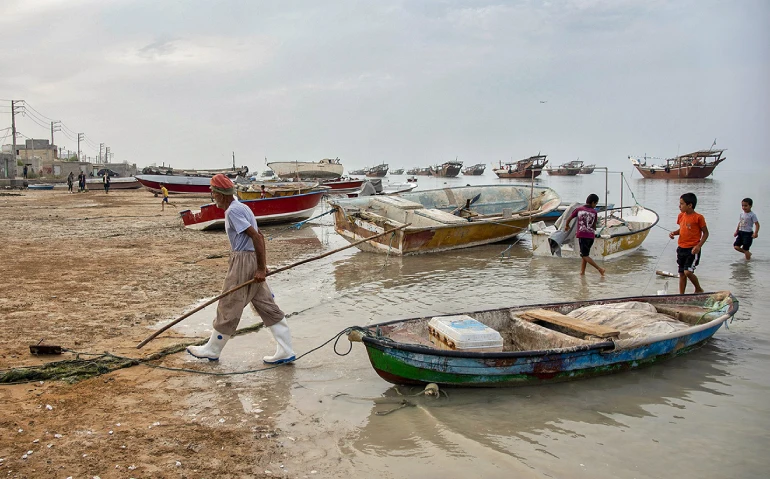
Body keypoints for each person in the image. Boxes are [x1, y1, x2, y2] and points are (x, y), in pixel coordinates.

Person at [187, 174, 295, 364]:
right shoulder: (243, 207)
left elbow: (256, 237)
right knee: (266, 304)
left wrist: (261, 268)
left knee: (229, 303)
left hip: (243, 260)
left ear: (221, 194)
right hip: (251, 258)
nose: (213, 197)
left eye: (213, 193)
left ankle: (212, 349)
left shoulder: (233, 211)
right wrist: (260, 263)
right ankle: (286, 350)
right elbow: (259, 236)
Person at [669, 192, 709, 294]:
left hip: (692, 249)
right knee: (682, 273)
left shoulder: (698, 217)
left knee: (688, 271)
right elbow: (682, 229)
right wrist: (674, 233)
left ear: (690, 205)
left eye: (682, 204)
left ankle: (698, 289)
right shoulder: (681, 216)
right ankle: (681, 295)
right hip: (681, 248)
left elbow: (705, 233)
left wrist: (699, 246)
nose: (679, 206)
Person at [564, 193, 605, 276]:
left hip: (583, 235)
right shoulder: (594, 212)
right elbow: (594, 225)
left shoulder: (579, 209)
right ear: (593, 202)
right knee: (585, 254)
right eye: (596, 204)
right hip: (591, 236)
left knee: (584, 255)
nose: (595, 206)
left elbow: (569, 219)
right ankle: (582, 272)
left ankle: (599, 269)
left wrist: (567, 226)